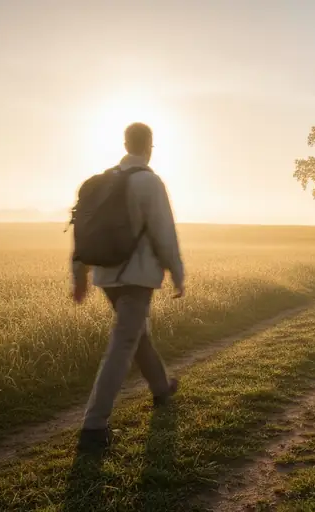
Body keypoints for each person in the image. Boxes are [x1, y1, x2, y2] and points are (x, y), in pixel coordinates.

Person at [71, 122, 185, 450]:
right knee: (123, 344)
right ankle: (93, 427)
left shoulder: (98, 183)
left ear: (124, 143)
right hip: (137, 277)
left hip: (106, 276)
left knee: (136, 336)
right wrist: (177, 273)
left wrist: (78, 274)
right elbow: (165, 233)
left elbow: (83, 231)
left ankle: (162, 388)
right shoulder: (150, 182)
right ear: (150, 145)